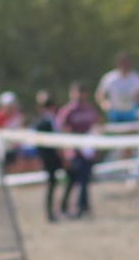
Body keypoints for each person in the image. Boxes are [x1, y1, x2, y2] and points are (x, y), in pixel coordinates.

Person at [55, 82, 101, 219]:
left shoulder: (90, 110)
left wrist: (95, 149)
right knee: (72, 181)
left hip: (87, 152)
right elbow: (61, 132)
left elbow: (96, 129)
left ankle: (83, 208)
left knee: (84, 180)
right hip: (73, 153)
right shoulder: (67, 111)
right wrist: (63, 154)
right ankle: (66, 207)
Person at [34, 91, 64, 222]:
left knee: (54, 184)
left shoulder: (51, 120)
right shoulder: (43, 122)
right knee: (51, 184)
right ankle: (51, 212)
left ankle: (58, 209)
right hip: (50, 158)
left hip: (53, 157)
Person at [96, 53, 139, 127]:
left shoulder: (137, 78)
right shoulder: (109, 78)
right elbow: (100, 94)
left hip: (132, 112)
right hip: (115, 112)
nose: (124, 65)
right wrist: (104, 103)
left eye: (126, 62)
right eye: (122, 62)